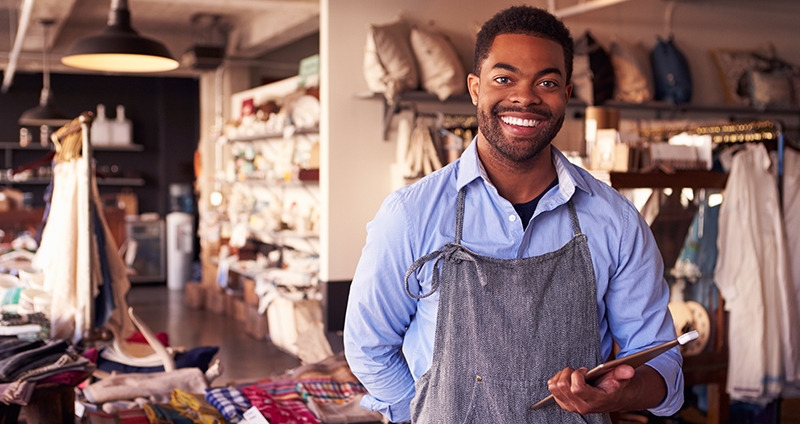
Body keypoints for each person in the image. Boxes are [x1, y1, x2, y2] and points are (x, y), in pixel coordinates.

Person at [344, 5, 683, 423]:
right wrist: (420, 412)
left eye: (547, 82)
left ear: (567, 95)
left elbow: (665, 369)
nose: (525, 97)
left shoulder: (616, 221)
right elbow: (368, 345)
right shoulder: (411, 215)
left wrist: (618, 394)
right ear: (475, 88)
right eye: (504, 79)